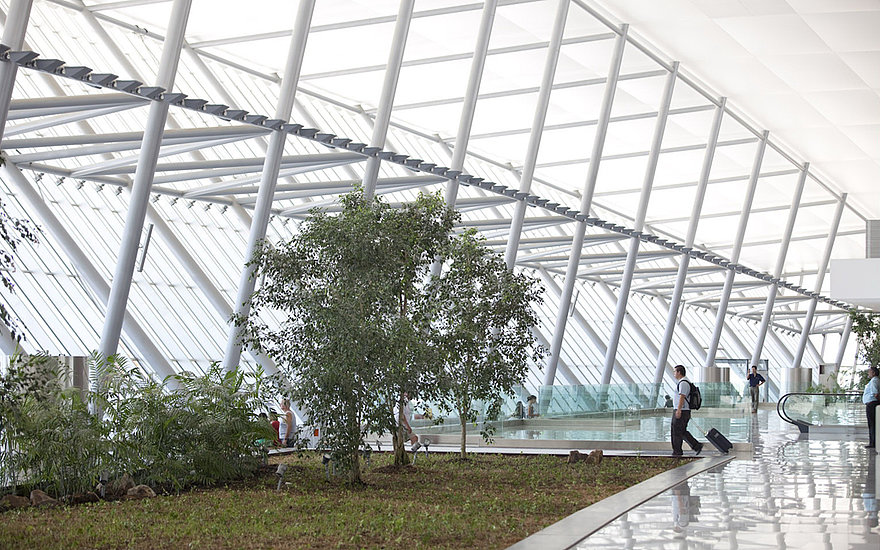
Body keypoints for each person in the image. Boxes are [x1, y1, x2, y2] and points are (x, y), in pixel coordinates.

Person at [671, 365, 703, 457]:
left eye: (674, 372)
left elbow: (682, 396)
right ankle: (696, 446)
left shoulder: (683, 383)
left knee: (676, 431)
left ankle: (677, 452)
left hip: (682, 410)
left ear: (679, 372)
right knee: (681, 431)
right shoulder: (683, 382)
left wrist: (679, 410)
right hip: (683, 410)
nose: (674, 374)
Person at [863, 366, 880, 449]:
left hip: (872, 404)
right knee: (872, 424)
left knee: (872, 424)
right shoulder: (874, 380)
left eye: (869, 372)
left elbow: (875, 393)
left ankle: (873, 443)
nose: (868, 373)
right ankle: (873, 442)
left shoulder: (874, 381)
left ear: (873, 373)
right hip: (872, 403)